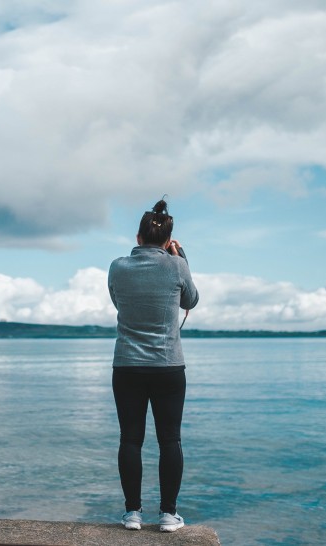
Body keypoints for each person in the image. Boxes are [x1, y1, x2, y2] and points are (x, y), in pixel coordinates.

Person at [107, 198, 199, 532]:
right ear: (168, 240)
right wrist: (181, 258)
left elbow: (119, 301)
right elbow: (191, 300)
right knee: (169, 440)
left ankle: (132, 514)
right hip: (168, 367)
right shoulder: (176, 266)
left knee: (130, 440)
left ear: (138, 236)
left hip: (127, 365)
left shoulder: (117, 266)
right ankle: (168, 515)